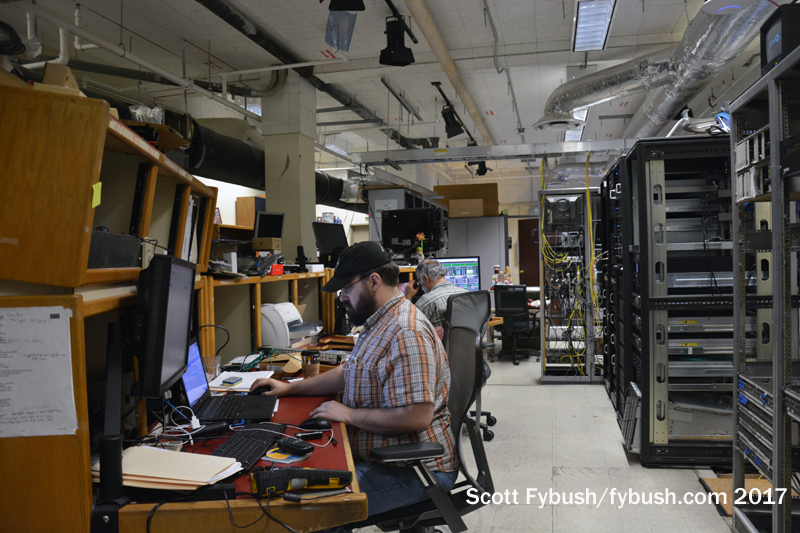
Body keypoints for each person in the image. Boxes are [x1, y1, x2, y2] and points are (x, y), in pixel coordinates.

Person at [250, 241, 458, 519]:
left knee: (306, 509)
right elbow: (349, 372)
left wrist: (348, 414)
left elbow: (417, 416)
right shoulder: (379, 322)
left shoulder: (405, 332)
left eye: (347, 289)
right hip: (390, 459)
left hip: (416, 470)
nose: (342, 297)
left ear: (374, 281)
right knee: (294, 483)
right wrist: (288, 388)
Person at [403, 259, 467, 329]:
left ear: (425, 278)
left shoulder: (425, 302)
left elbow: (407, 325)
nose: (420, 287)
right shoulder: (467, 294)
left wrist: (407, 298)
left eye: (419, 281)